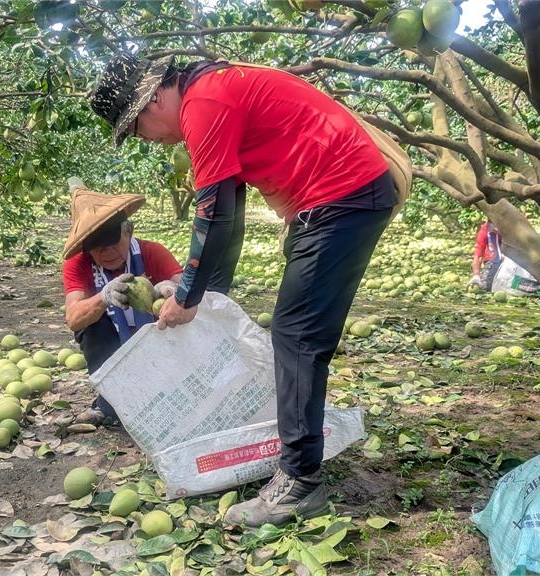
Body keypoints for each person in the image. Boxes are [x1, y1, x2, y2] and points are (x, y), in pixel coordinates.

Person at [90, 54, 397, 527]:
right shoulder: (211, 93)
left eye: (137, 129)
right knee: (296, 333)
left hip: (343, 195)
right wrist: (206, 297)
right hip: (338, 199)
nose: (147, 140)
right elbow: (228, 204)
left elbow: (213, 214)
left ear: (152, 99)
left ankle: (298, 482)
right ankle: (298, 465)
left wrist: (189, 295)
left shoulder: (204, 102)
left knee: (296, 336)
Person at [62, 185, 182, 426]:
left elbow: (189, 294)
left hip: (156, 338)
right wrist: (103, 297)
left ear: (129, 231)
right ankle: (111, 405)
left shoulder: (152, 252)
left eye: (112, 242)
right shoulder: (78, 264)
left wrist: (170, 291)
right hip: (113, 341)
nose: (106, 252)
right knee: (89, 327)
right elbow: (73, 318)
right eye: (96, 247)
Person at [470, 218, 502, 291]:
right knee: (486, 286)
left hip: (512, 260)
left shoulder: (512, 227)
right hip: (493, 260)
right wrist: (476, 275)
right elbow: (478, 254)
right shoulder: (485, 230)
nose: (495, 229)